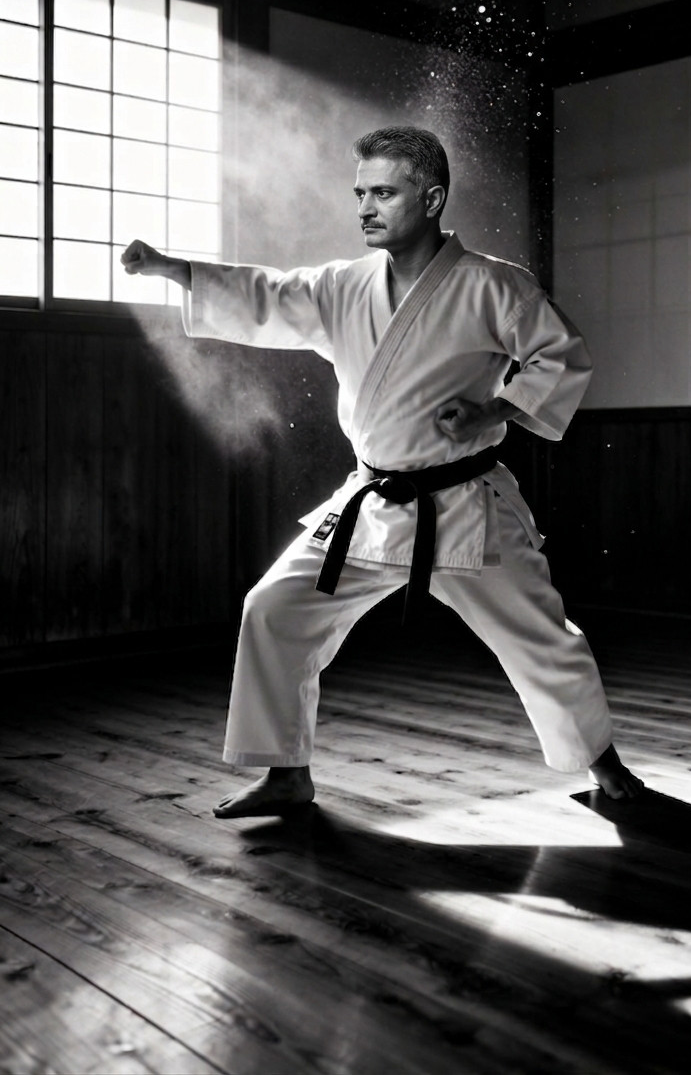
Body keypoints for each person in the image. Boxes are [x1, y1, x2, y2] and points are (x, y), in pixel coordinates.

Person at [121, 125, 643, 816]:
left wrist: (494, 410)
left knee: (541, 636)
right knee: (274, 607)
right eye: (361, 193)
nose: (365, 207)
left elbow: (560, 356)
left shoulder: (492, 284)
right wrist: (177, 270)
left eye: (384, 193)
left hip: (464, 501)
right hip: (370, 499)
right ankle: (285, 773)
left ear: (430, 198)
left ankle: (602, 766)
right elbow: (269, 294)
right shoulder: (343, 284)